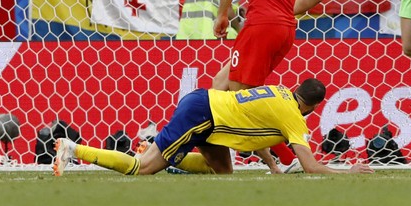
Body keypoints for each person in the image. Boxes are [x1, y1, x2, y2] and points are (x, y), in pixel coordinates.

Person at [212, 0, 324, 170]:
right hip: (285, 30)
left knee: (241, 102)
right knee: (220, 85)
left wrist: (222, 15)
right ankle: (272, 164)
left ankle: (288, 160)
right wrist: (286, 10)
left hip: (260, 26)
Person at [53, 78, 374, 176]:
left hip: (208, 107)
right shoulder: (293, 115)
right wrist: (350, 171)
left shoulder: (279, 94)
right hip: (203, 115)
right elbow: (311, 166)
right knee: (143, 168)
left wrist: (274, 166)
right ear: (313, 106)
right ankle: (73, 148)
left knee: (221, 170)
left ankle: (165, 153)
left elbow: (255, 131)